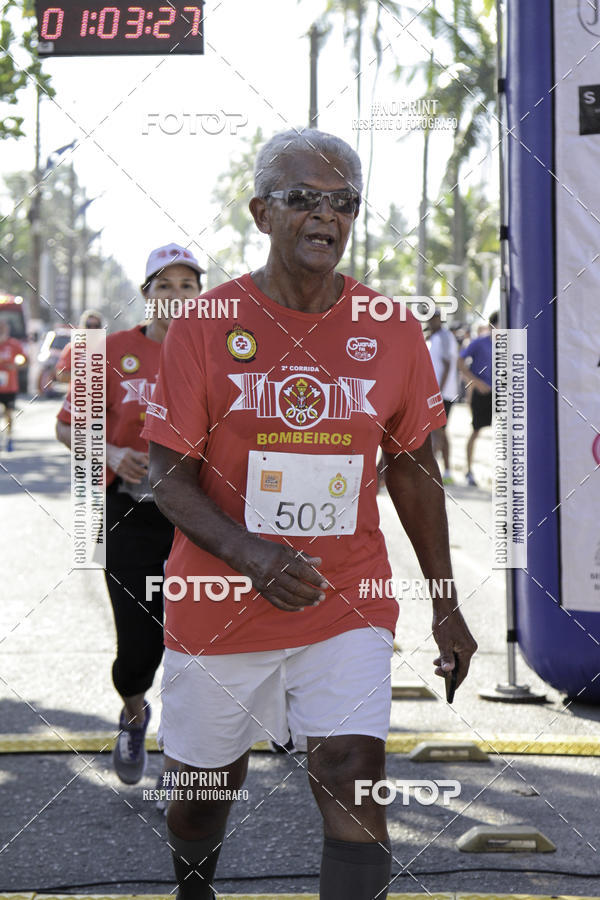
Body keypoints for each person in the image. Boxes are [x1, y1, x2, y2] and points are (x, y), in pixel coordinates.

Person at [143, 130, 478, 899]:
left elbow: (413, 468)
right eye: (303, 199)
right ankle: (194, 886)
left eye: (343, 202)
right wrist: (252, 555)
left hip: (344, 594)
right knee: (201, 798)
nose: (326, 215)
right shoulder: (204, 324)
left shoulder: (391, 326)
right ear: (263, 213)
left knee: (354, 770)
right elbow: (167, 475)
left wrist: (445, 606)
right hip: (219, 600)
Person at [56, 243, 204, 791]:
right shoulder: (112, 350)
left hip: (195, 522)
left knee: (191, 642)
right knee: (137, 642)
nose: (177, 296)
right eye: (164, 286)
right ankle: (134, 715)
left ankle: (182, 760)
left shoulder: (217, 353)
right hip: (125, 514)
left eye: (187, 286)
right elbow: (67, 427)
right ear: (147, 295)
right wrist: (111, 454)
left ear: (200, 296)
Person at [458, 311, 498, 486]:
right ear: (491, 325)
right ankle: (469, 471)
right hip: (481, 393)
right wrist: (476, 382)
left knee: (509, 434)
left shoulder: (510, 344)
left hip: (502, 394)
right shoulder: (479, 343)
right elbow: (460, 362)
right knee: (475, 431)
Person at [426, 309, 459, 483]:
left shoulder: (445, 337)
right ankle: (446, 471)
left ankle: (432, 472)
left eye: (435, 318)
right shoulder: (433, 337)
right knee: (442, 432)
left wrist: (437, 391)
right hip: (438, 393)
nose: (432, 321)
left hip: (442, 393)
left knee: (436, 432)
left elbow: (447, 364)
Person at [55, 308, 104, 384]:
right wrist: (83, 373)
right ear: (82, 327)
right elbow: (60, 375)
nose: (92, 329)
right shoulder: (73, 348)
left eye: (96, 326)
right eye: (89, 326)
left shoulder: (107, 348)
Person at [0, 320, 27, 452]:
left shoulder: (13, 345)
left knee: (8, 413)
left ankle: (9, 438)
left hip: (9, 387)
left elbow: (25, 360)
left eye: (3, 328)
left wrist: (15, 366)